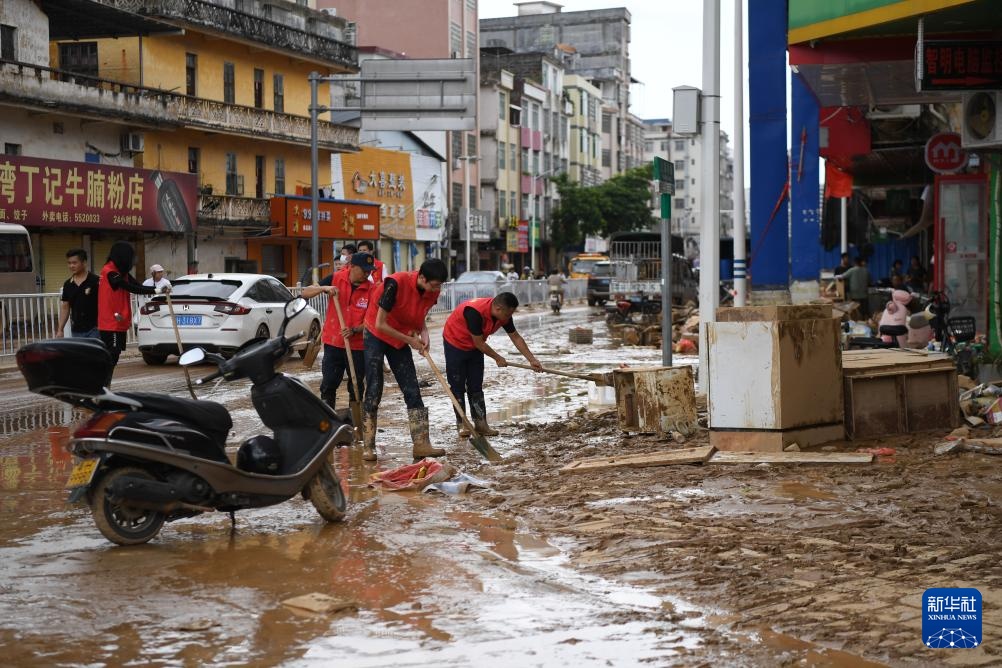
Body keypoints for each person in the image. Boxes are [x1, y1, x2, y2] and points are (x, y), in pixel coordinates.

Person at [362, 258, 448, 461]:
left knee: (412, 388)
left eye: (439, 286)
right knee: (374, 388)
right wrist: (410, 340)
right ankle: (368, 445)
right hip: (376, 333)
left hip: (399, 338)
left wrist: (423, 333)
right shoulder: (395, 283)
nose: (436, 290)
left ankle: (421, 444)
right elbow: (380, 324)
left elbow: (420, 316)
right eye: (434, 285)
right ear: (422, 277)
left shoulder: (432, 291)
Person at [443, 292, 542, 437]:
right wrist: (497, 358)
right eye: (508, 314)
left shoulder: (503, 315)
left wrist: (532, 360)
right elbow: (479, 343)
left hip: (476, 346)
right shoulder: (474, 312)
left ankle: (481, 424)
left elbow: (515, 337)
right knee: (457, 386)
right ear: (498, 309)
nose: (509, 318)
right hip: (455, 343)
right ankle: (462, 425)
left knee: (475, 385)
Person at [301, 253, 375, 421]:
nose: (367, 274)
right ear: (353, 267)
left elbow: (373, 320)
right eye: (364, 271)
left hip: (357, 346)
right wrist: (323, 288)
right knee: (328, 384)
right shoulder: (336, 278)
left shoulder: (372, 289)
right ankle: (327, 422)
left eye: (369, 271)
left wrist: (355, 329)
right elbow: (306, 293)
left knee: (355, 385)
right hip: (333, 343)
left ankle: (355, 423)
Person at [98, 241, 161, 370]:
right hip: (110, 323)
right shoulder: (109, 271)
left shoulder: (122, 272)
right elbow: (129, 287)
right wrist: (155, 291)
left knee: (115, 355)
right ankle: (102, 384)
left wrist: (158, 289)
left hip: (119, 320)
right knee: (111, 354)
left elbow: (138, 285)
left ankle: (106, 384)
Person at [56, 248, 99, 339]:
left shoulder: (96, 281)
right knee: (79, 353)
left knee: (93, 353)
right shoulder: (68, 284)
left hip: (95, 329)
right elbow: (65, 307)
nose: (71, 266)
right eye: (69, 263)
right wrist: (60, 329)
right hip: (76, 330)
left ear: (84, 262)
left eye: (74, 263)